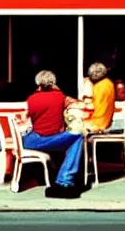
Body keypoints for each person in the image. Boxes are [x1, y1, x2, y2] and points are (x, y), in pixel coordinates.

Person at [21, 70, 85, 198]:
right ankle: (64, 181)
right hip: (53, 139)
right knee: (78, 137)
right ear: (53, 83)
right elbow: (78, 104)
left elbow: (25, 119)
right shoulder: (60, 97)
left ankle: (61, 180)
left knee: (26, 136)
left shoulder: (31, 99)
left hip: (34, 140)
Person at [84, 62, 115, 132]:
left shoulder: (97, 87)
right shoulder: (110, 83)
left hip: (96, 122)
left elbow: (93, 107)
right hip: (107, 122)